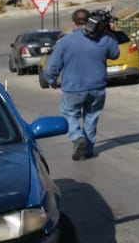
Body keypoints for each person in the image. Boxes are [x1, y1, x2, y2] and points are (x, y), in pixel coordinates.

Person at [43, 9, 120, 161]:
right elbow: (115, 53)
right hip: (97, 87)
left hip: (73, 88)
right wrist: (110, 33)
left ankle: (77, 137)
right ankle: (89, 149)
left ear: (73, 23)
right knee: (91, 117)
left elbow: (51, 66)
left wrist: (51, 80)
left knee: (69, 114)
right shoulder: (104, 39)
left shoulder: (65, 42)